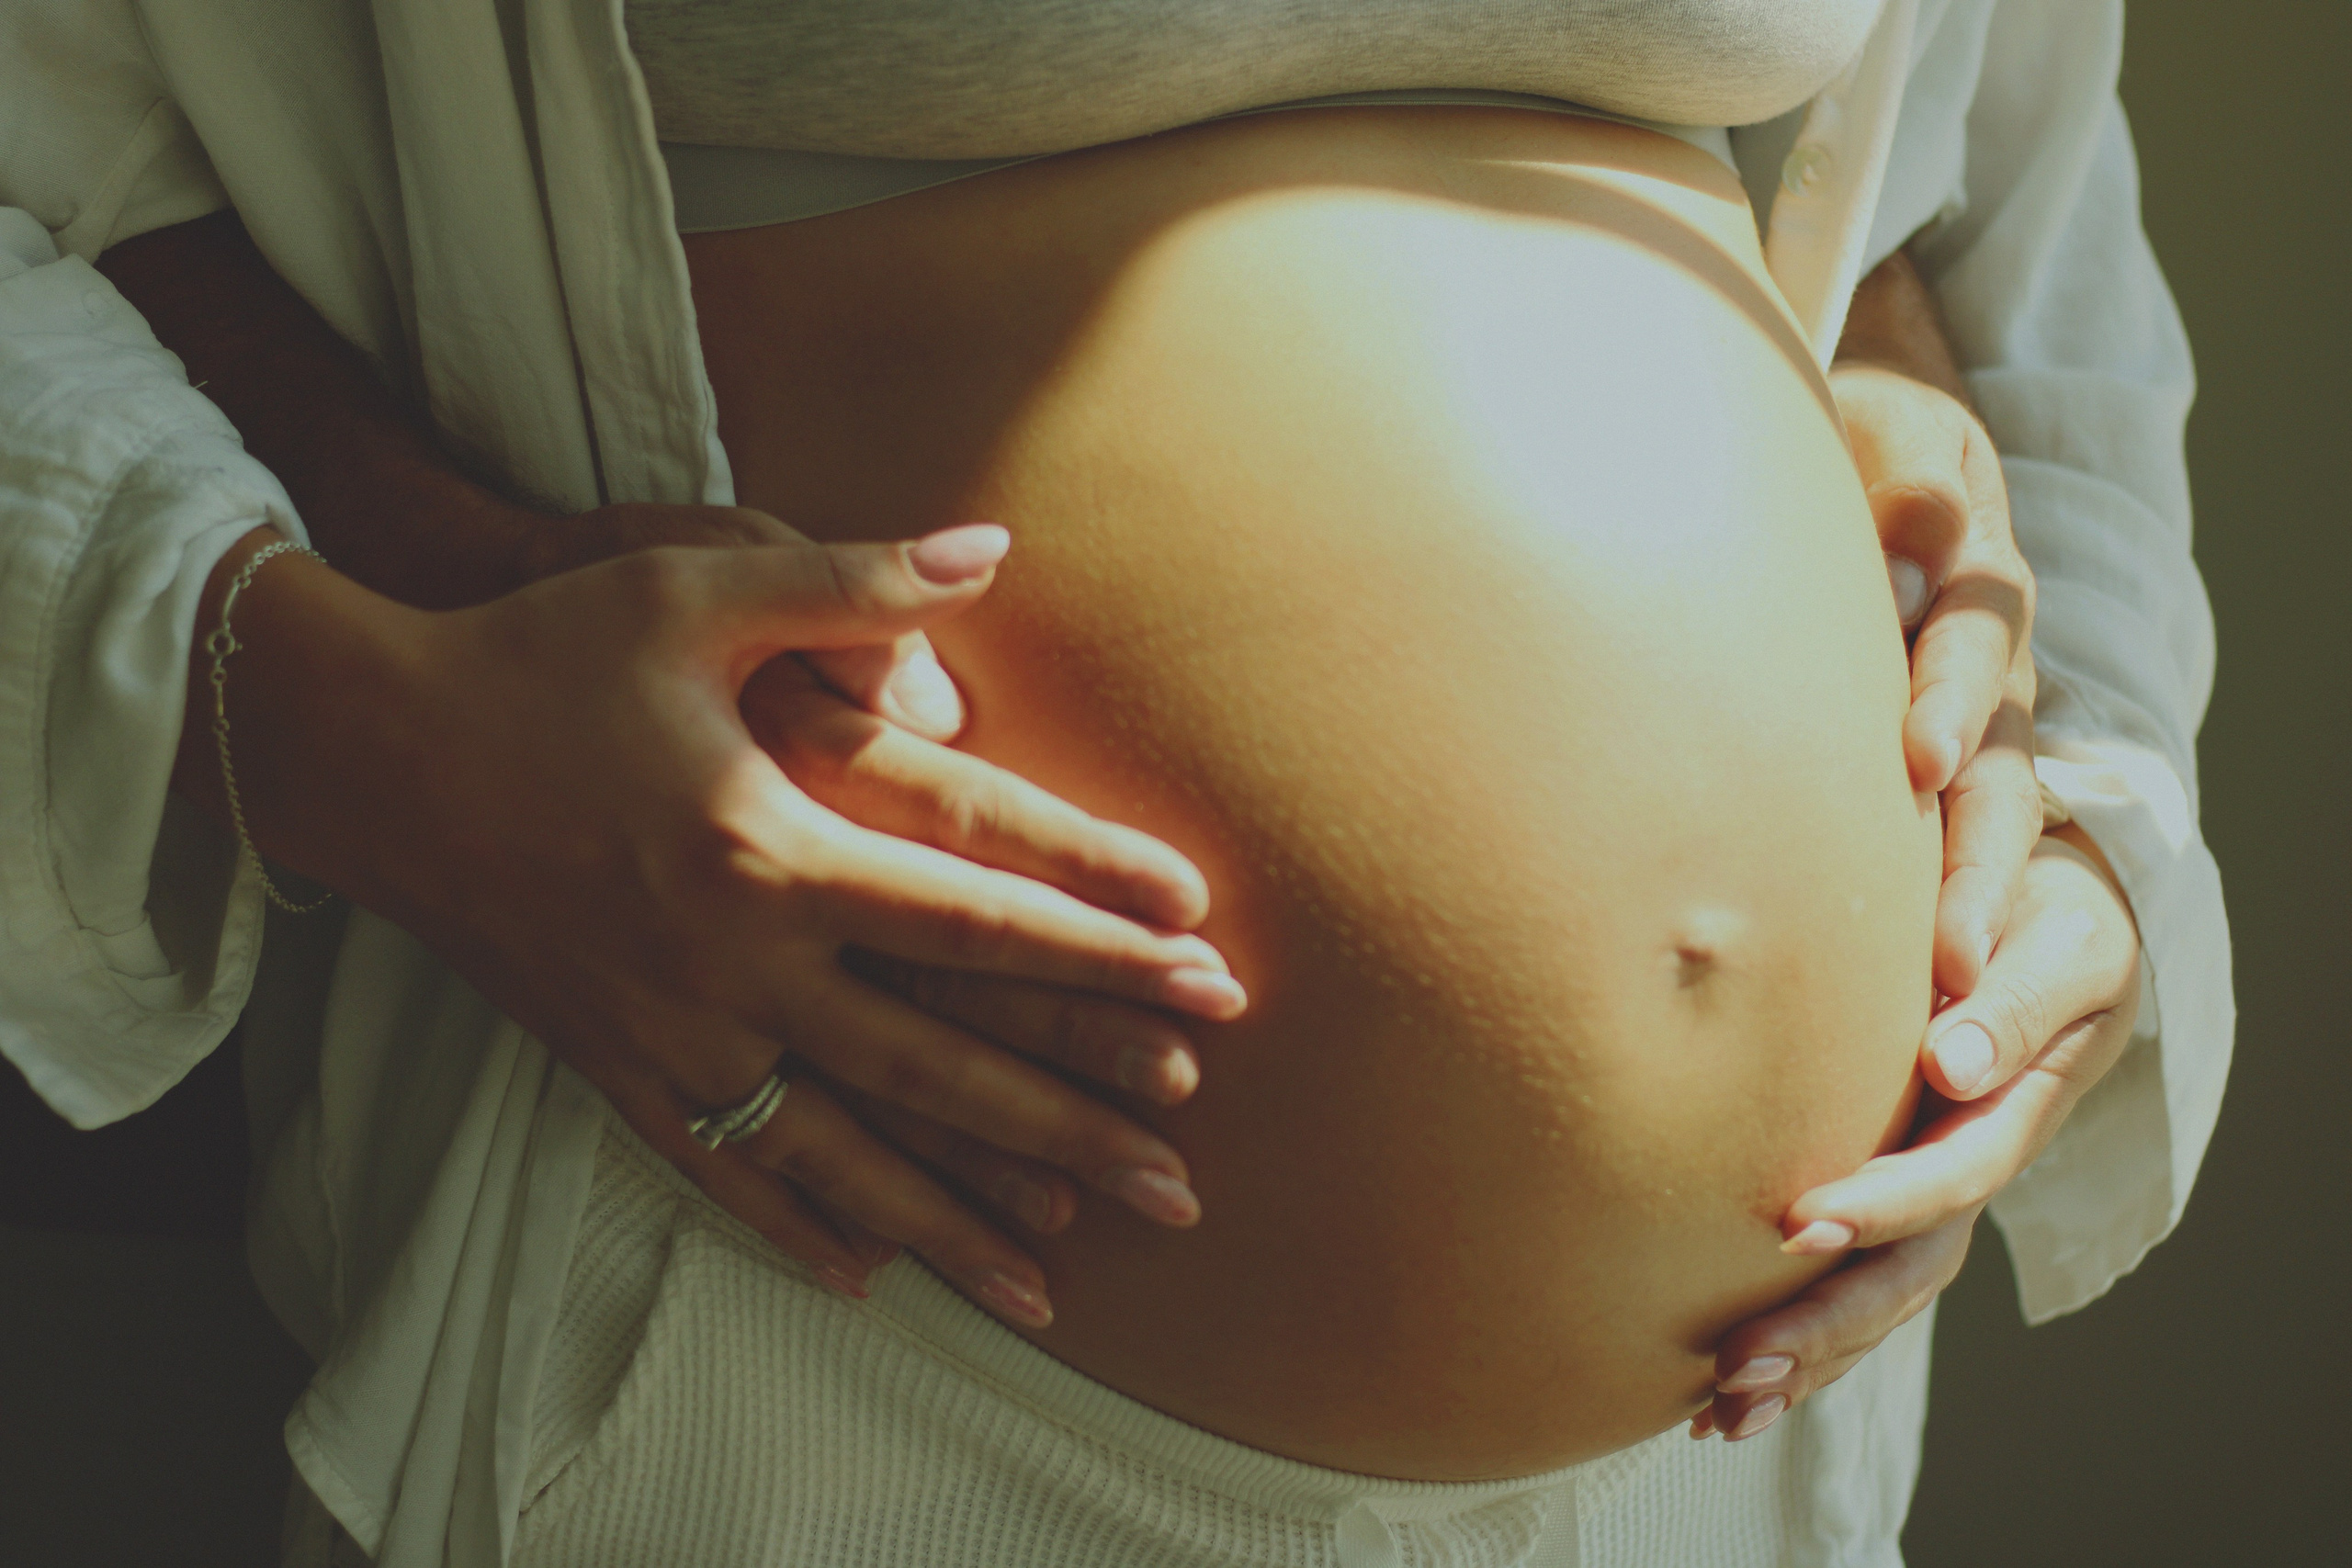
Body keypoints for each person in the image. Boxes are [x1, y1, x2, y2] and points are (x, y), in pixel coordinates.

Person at [0, 1, 2230, 1563]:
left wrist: (2073, 786)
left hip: (1725, 1459)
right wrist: (369, 706)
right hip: (796, 1328)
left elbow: (1982, 173)